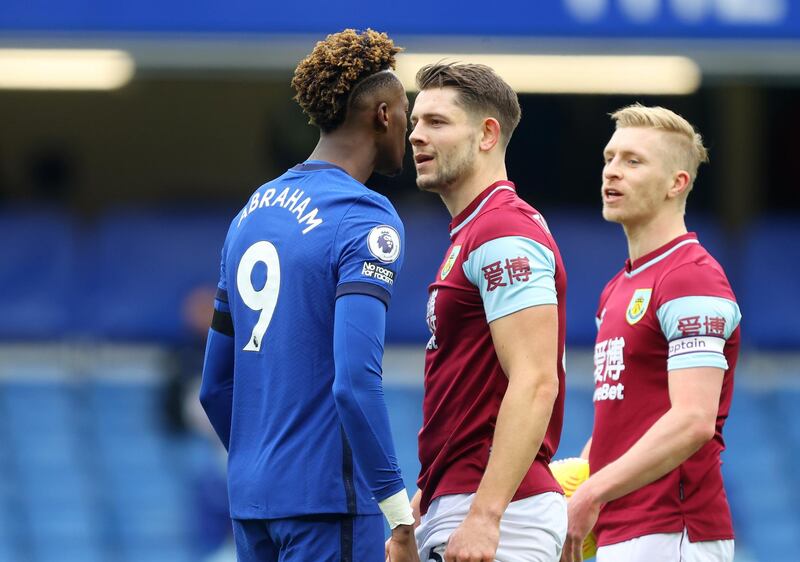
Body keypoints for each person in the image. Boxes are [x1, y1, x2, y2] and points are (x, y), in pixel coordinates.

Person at [199, 29, 419, 562]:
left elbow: (215, 386)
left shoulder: (252, 212)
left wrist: (269, 470)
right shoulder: (363, 215)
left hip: (252, 504)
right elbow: (354, 381)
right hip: (330, 506)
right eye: (408, 113)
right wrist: (398, 515)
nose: (411, 132)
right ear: (383, 113)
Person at [561, 104, 741, 562]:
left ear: (676, 183)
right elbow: (625, 418)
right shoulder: (617, 287)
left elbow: (693, 420)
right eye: (609, 157)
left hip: (673, 530)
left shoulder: (691, 277)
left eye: (633, 161)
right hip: (625, 529)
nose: (612, 172)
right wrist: (583, 474)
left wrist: (590, 493)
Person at [408, 62, 568, 562]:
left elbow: (536, 380)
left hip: (500, 515)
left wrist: (485, 514)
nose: (415, 136)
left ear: (487, 134)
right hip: (464, 501)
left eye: (436, 122)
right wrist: (428, 495)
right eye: (415, 122)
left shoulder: (502, 232)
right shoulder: (476, 230)